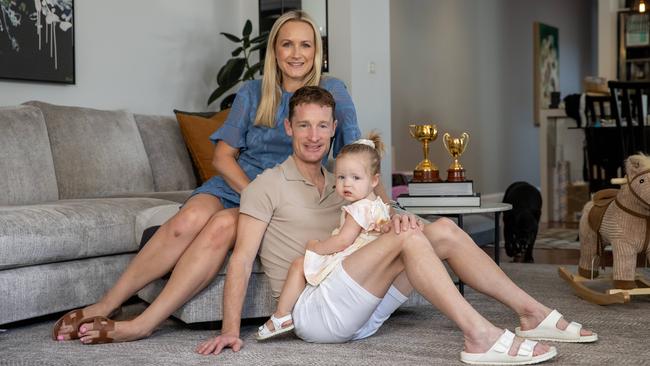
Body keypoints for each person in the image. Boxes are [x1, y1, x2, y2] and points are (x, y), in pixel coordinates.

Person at [196, 86, 597, 365]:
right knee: (407, 241)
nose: (313, 135)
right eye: (303, 125)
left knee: (439, 228)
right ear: (288, 128)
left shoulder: (346, 179)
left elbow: (378, 216)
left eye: (322, 125)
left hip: (362, 308)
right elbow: (242, 260)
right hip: (317, 314)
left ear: (335, 129)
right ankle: (479, 335)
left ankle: (531, 313)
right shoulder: (265, 186)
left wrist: (400, 215)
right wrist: (231, 329)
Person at [52, 10, 362, 344]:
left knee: (223, 226)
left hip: (284, 192)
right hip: (239, 184)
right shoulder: (253, 91)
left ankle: (145, 322)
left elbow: (358, 153)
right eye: (287, 44)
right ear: (274, 51)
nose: (296, 53)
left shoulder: (332, 90)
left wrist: (381, 206)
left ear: (317, 52)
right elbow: (222, 157)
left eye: (305, 45)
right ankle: (109, 302)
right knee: (191, 218)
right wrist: (251, 194)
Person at [255, 133, 390, 340]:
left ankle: (281, 315)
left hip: (351, 264)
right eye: (341, 177)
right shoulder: (378, 206)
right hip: (365, 268)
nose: (347, 184)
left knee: (299, 264)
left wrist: (315, 247)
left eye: (355, 178)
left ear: (374, 180)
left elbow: (343, 241)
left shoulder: (359, 210)